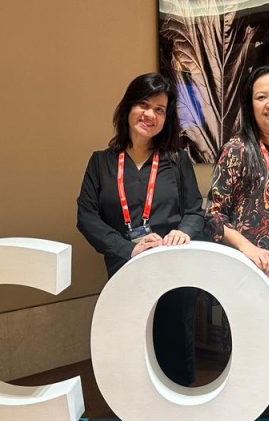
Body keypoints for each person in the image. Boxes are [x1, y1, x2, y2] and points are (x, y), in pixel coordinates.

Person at [77, 73, 204, 387]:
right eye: (144, 105)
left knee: (174, 345)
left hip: (173, 269)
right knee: (130, 346)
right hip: (125, 267)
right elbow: (87, 216)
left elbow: (194, 210)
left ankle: (179, 408)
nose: (151, 114)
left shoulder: (177, 161)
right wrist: (128, 248)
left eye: (160, 109)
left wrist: (183, 232)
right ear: (128, 107)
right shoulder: (101, 163)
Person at [206, 65, 269, 410]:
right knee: (250, 358)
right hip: (251, 272)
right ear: (250, 105)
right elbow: (213, 216)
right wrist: (247, 247)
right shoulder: (238, 149)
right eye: (261, 96)